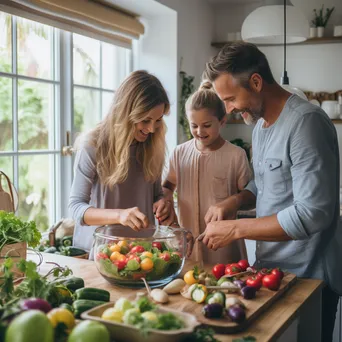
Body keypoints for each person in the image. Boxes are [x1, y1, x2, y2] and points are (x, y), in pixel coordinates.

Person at [199, 42, 341, 342]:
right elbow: (262, 185)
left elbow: (312, 213)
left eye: (231, 98)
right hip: (274, 272)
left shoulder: (306, 123)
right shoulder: (261, 126)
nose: (229, 109)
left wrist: (236, 228)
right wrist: (234, 201)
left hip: (310, 278)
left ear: (256, 82)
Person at [68, 70, 176, 255]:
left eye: (158, 120)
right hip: (99, 253)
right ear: (125, 113)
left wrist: (162, 203)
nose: (151, 129)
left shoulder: (152, 144)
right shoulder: (92, 146)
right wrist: (120, 215)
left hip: (143, 251)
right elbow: (76, 208)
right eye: (145, 120)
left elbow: (156, 194)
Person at [162, 81, 251, 264]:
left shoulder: (236, 155)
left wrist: (230, 202)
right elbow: (168, 186)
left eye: (207, 125)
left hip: (225, 250)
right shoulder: (179, 153)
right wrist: (165, 201)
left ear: (222, 121)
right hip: (188, 246)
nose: (199, 131)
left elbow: (250, 196)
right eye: (194, 125)